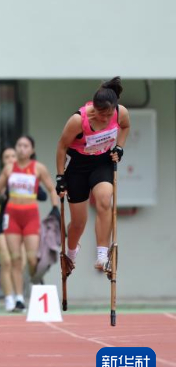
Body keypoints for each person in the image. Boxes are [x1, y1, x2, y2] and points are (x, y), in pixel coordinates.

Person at [56, 77, 130, 274]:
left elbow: (125, 127)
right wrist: (60, 177)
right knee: (79, 222)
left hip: (102, 162)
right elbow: (62, 147)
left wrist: (120, 147)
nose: (105, 119)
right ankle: (71, 252)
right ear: (93, 108)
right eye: (100, 114)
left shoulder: (120, 113)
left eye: (108, 115)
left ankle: (102, 255)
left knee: (105, 199)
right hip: (78, 166)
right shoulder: (78, 120)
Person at [0, 135, 58, 311]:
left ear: (32, 150)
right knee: (15, 259)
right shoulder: (9, 168)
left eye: (25, 146)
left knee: (31, 258)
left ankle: (35, 277)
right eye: (19, 145)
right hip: (12, 214)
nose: (21, 149)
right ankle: (19, 298)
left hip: (30, 216)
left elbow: (52, 189)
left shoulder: (38, 168)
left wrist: (55, 208)